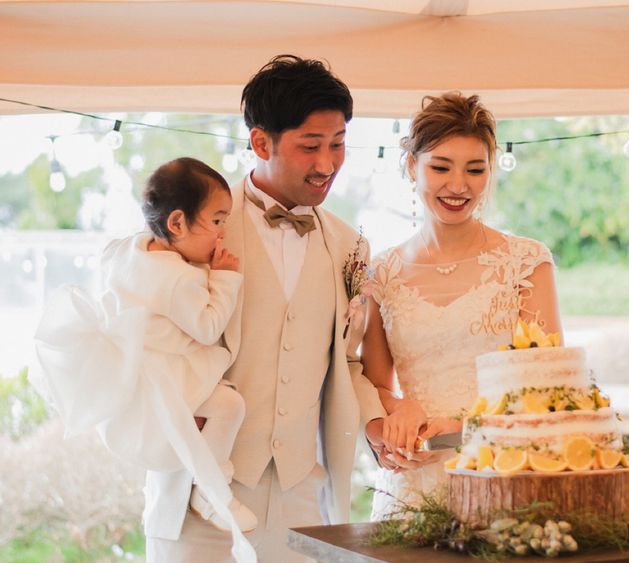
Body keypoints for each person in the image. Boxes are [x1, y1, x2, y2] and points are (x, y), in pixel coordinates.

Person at [143, 55, 388, 562]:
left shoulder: (351, 246)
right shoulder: (195, 226)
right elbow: (139, 326)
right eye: (310, 146)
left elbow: (346, 363)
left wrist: (379, 423)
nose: (328, 164)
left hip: (301, 498)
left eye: (338, 143)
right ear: (260, 142)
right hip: (198, 493)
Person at [33, 158, 258, 561]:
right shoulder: (179, 278)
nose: (223, 233)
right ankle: (210, 489)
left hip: (132, 372)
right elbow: (208, 327)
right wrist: (224, 278)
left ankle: (207, 486)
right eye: (217, 221)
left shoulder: (124, 250)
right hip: (165, 375)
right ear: (177, 223)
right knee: (230, 406)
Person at [361, 93, 563, 519]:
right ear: (411, 166)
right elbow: (372, 385)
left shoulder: (526, 263)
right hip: (411, 488)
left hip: (503, 477)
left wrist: (463, 430)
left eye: (475, 169)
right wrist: (399, 414)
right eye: (440, 167)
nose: (458, 186)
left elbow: (548, 390)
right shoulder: (381, 274)